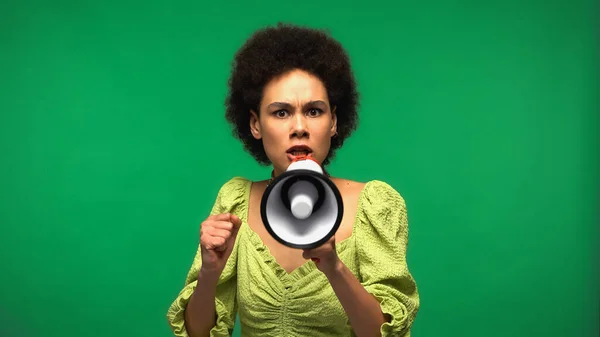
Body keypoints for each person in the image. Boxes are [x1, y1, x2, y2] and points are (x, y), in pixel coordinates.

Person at [166, 22, 420, 337]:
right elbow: (197, 333)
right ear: (255, 125)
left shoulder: (374, 204)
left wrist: (334, 268)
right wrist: (209, 272)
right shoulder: (235, 201)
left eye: (314, 111)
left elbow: (387, 333)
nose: (299, 127)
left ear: (334, 122)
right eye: (281, 113)